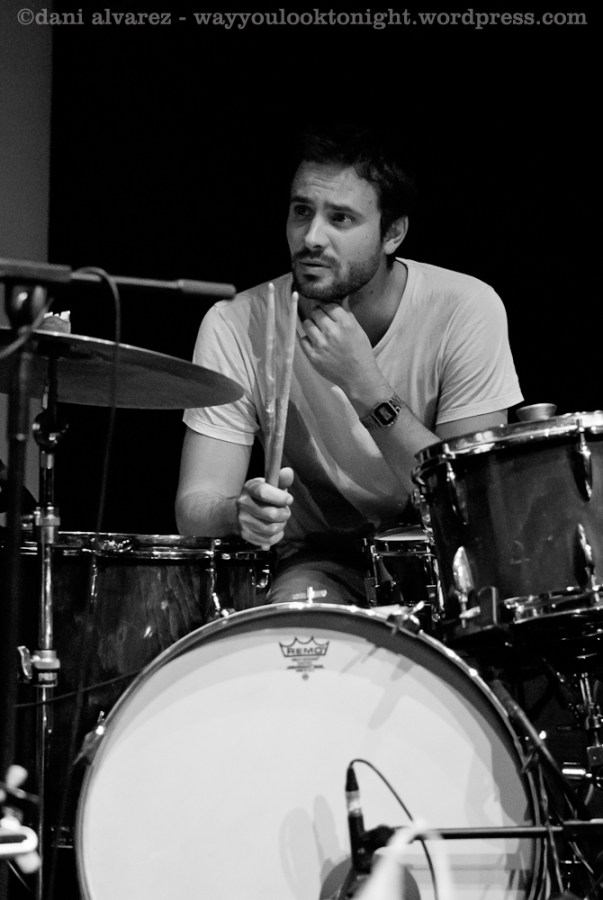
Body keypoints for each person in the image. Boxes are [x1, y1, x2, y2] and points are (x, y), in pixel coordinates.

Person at [175, 124, 523, 605]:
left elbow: (468, 502)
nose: (311, 237)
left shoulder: (465, 308)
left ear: (392, 233)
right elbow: (195, 507)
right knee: (294, 626)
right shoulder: (237, 323)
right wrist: (239, 512)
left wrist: (365, 385)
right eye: (302, 212)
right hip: (322, 562)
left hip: (449, 558)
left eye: (340, 218)